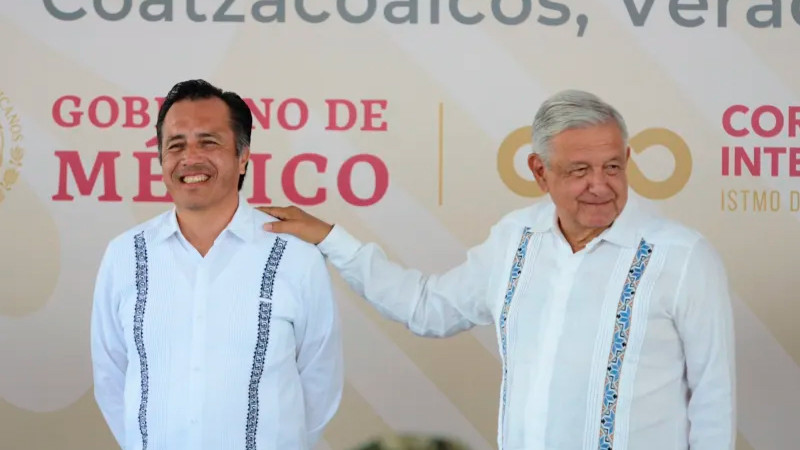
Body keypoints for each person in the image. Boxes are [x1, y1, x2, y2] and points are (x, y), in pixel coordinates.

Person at [259, 90, 736, 450]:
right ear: (539, 171)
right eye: (579, 170)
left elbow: (713, 397)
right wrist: (331, 239)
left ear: (628, 160)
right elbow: (427, 308)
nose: (600, 185)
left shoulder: (682, 256)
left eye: (612, 167)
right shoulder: (516, 239)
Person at [90, 79, 343, 450]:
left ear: (243, 157)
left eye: (208, 142)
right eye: (176, 145)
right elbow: (111, 377)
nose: (190, 158)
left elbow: (320, 383)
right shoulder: (124, 255)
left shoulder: (295, 256)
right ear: (161, 159)